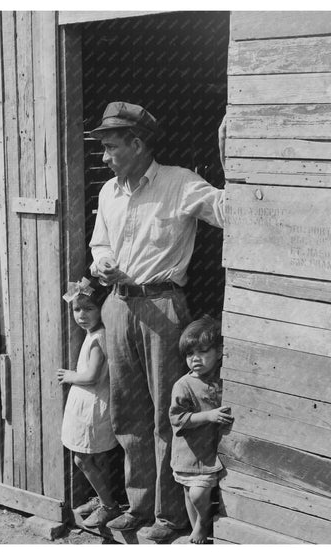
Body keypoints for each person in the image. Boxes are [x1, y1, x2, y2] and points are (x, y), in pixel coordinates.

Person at [88, 101, 226, 541]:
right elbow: (99, 245)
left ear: (138, 143)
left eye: (111, 147)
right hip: (117, 306)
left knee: (169, 412)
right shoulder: (108, 192)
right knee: (128, 413)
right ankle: (139, 505)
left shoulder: (180, 183)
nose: (105, 157)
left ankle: (170, 516)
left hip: (162, 308)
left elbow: (227, 211)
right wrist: (104, 263)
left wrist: (235, 157)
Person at [57, 277, 120, 528]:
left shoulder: (98, 337)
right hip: (86, 403)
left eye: (89, 308)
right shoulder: (92, 333)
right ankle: (103, 498)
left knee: (83, 459)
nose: (82, 315)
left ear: (101, 309)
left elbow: (93, 376)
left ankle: (109, 506)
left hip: (93, 405)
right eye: (77, 309)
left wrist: (70, 376)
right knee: (95, 458)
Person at [169, 315, 234, 544]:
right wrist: (208, 416)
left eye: (202, 352)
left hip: (209, 451)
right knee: (191, 492)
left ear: (219, 352)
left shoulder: (223, 378)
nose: (195, 359)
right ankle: (199, 525)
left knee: (198, 493)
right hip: (190, 451)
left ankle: (201, 525)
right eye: (189, 354)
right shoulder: (184, 385)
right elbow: (177, 419)